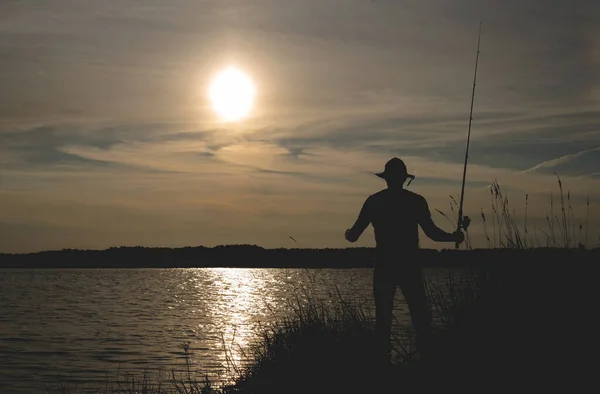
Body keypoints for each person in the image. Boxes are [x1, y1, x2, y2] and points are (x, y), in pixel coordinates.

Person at [344, 157, 465, 365]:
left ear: (386, 179)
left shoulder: (374, 201)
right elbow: (433, 233)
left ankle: (382, 366)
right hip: (410, 267)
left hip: (384, 266)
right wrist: (454, 237)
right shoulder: (416, 201)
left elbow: (353, 235)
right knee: (420, 318)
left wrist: (347, 233)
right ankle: (428, 362)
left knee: (383, 320)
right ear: (404, 178)